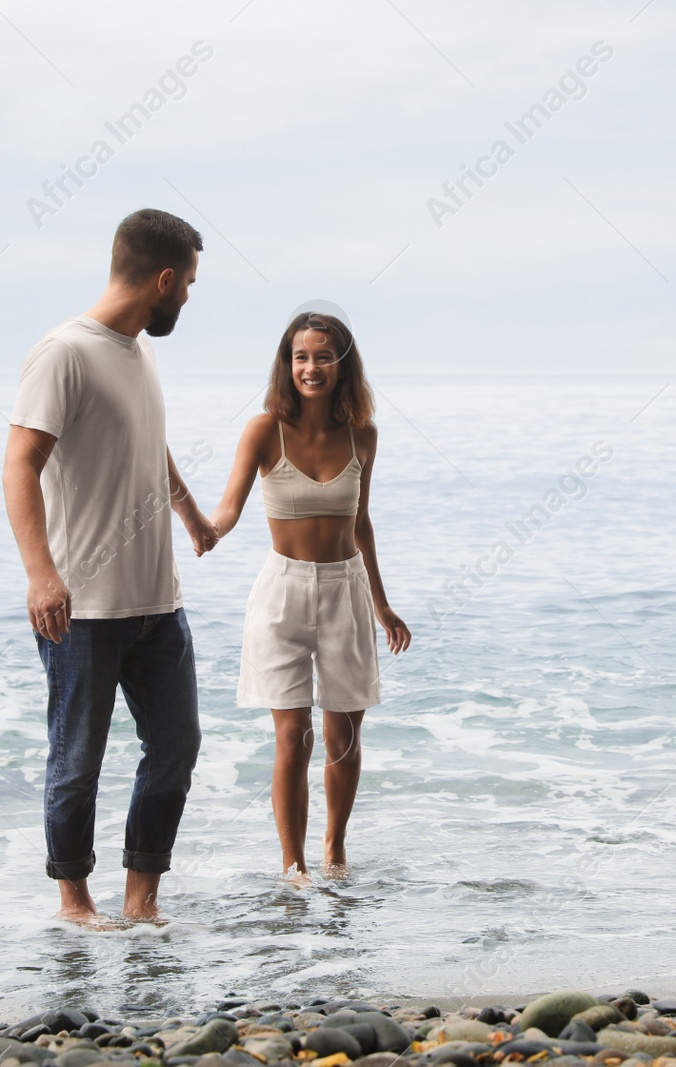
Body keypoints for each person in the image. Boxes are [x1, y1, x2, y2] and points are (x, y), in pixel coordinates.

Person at [2, 208, 218, 927]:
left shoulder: (139, 350)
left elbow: (150, 446)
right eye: (186, 283)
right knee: (77, 760)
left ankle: (142, 901)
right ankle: (73, 902)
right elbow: (19, 465)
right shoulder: (64, 352)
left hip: (159, 601)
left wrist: (190, 515)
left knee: (177, 746)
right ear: (162, 278)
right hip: (83, 607)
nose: (187, 296)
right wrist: (41, 573)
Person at [209, 311, 411, 882]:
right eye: (300, 357)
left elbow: (361, 522)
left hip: (345, 589)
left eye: (323, 356)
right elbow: (228, 510)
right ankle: (293, 866)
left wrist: (382, 603)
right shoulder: (263, 430)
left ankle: (335, 851)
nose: (311, 367)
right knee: (292, 737)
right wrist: (205, 530)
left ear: (341, 365)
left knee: (342, 737)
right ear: (287, 364)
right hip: (282, 593)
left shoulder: (363, 435)